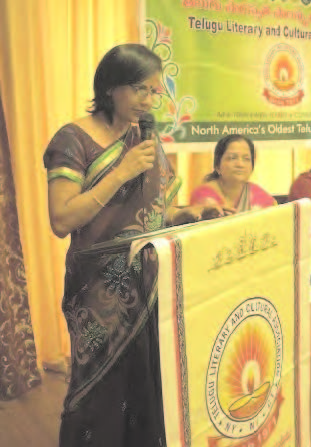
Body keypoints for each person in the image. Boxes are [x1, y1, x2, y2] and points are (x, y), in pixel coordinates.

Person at [44, 44, 206, 447]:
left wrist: (184, 215)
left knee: (145, 385)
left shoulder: (144, 137)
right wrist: (121, 173)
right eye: (140, 89)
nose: (149, 101)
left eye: (155, 91)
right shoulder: (73, 139)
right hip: (97, 291)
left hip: (150, 282)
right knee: (100, 391)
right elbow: (61, 220)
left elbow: (151, 212)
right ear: (110, 86)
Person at [189, 134, 276, 213]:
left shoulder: (259, 195)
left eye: (246, 159)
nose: (240, 164)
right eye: (232, 158)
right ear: (217, 165)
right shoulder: (204, 195)